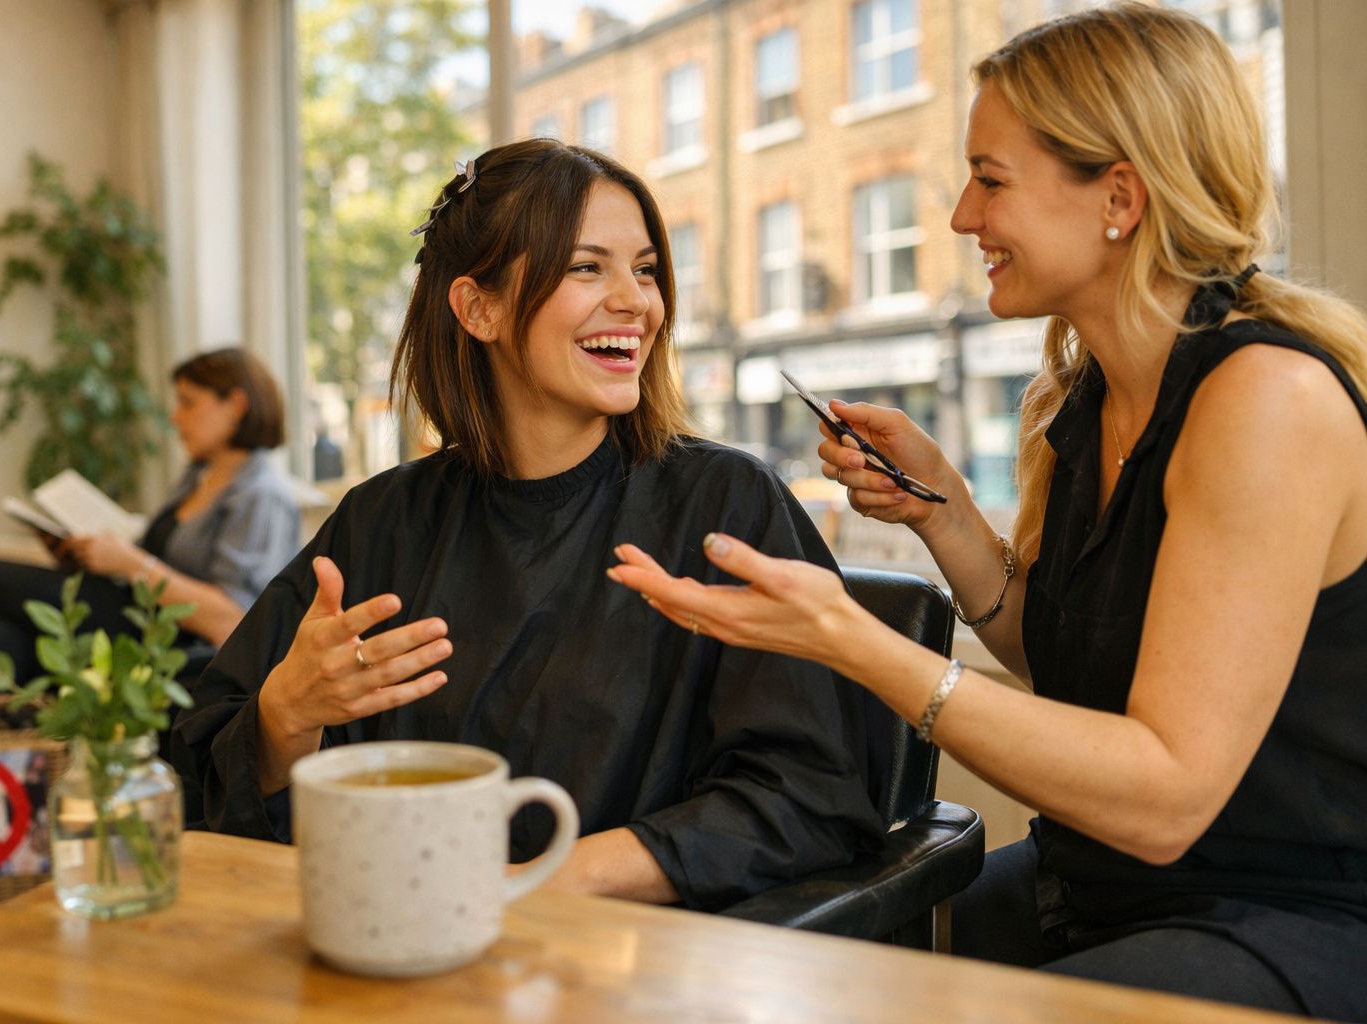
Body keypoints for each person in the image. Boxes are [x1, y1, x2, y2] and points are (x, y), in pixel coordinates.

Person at [608, 4, 1367, 1018]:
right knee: (795, 986)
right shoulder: (1081, 398)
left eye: (991, 180)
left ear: (1120, 198)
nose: (962, 217)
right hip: (1096, 886)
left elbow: (1162, 796)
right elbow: (1066, 661)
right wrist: (946, 515)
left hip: (1286, 920)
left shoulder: (1267, 401)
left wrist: (852, 641)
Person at [172, 139, 884, 909]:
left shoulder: (724, 506)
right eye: (588, 267)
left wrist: (531, 884)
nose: (637, 302)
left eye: (645, 269)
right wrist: (285, 718)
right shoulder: (382, 522)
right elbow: (203, 771)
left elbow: (809, 791)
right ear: (480, 308)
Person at [0, 347, 302, 696]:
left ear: (237, 405)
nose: (175, 417)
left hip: (170, 640)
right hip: (126, 609)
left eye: (188, 404)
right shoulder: (198, 477)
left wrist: (129, 563)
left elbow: (235, 620)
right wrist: (84, 554)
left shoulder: (262, 496)